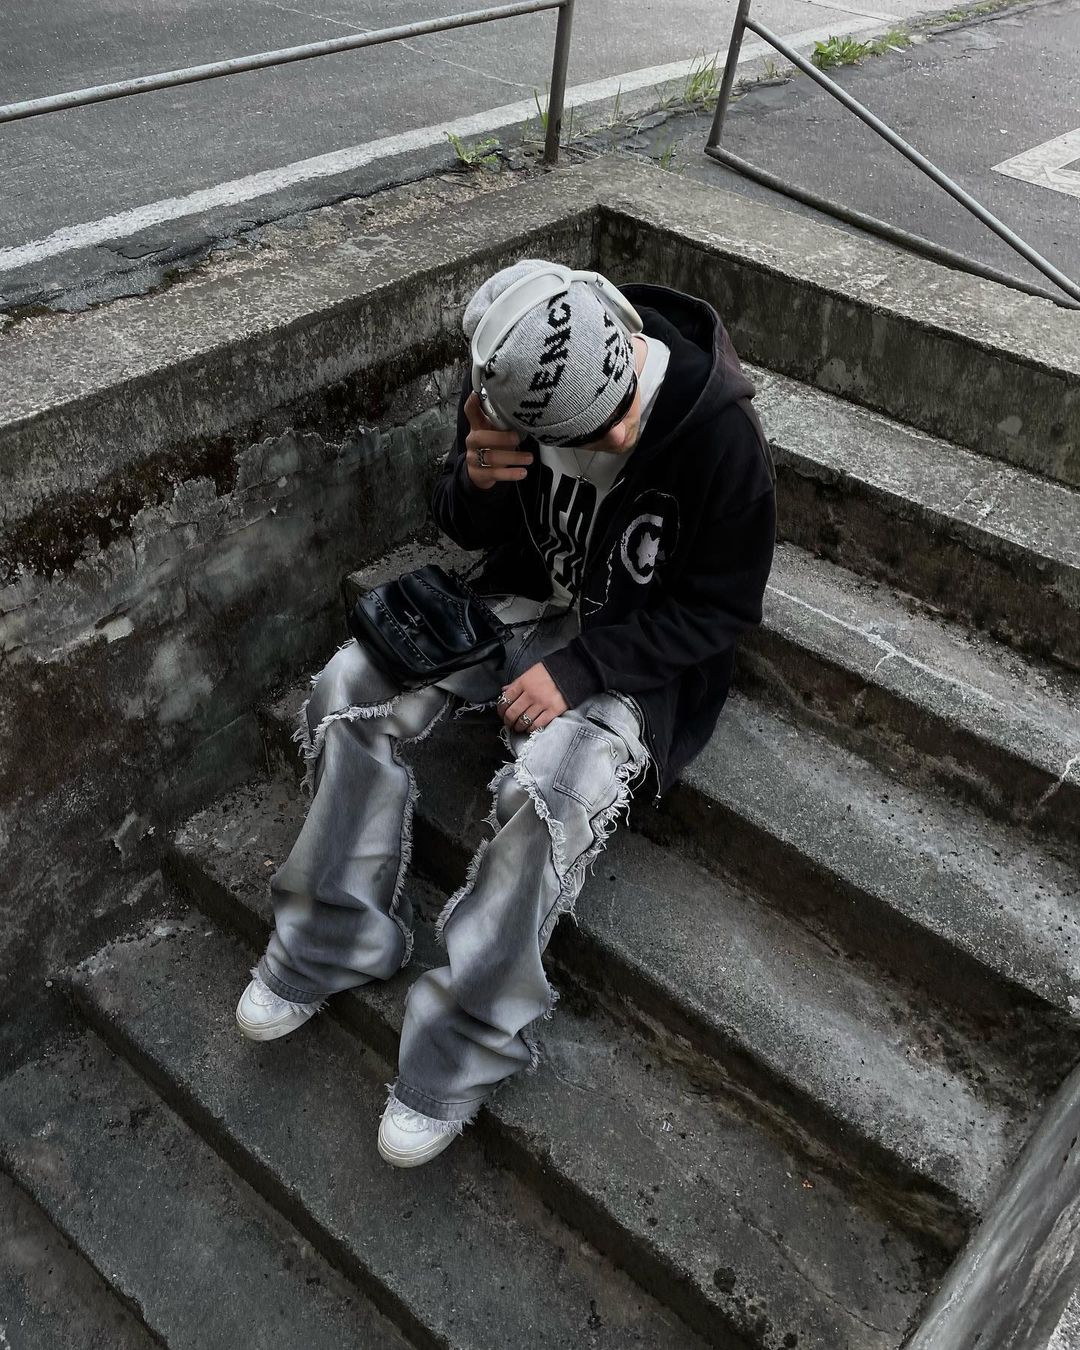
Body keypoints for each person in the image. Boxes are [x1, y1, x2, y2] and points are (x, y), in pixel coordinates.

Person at [235, 259, 776, 1168]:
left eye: (619, 411)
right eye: (591, 434)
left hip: (633, 651)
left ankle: (459, 1050)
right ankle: (332, 936)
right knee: (348, 689)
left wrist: (586, 666)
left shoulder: (719, 434)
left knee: (555, 793)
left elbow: (723, 608)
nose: (621, 432)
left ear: (623, 333)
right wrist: (477, 481)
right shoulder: (512, 376)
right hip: (518, 604)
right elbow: (465, 522)